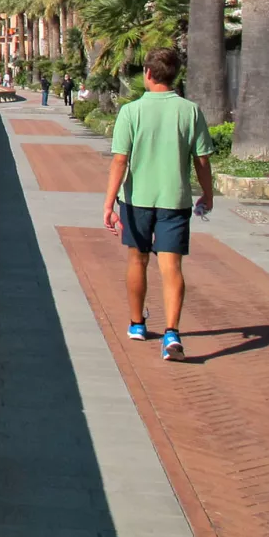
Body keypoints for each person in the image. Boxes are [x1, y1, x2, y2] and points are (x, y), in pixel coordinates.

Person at [103, 47, 215, 361]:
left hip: (136, 200)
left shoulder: (131, 112)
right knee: (171, 267)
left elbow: (120, 161)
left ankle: (137, 324)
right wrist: (207, 194)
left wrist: (109, 204)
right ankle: (171, 333)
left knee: (137, 261)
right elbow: (202, 160)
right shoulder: (190, 111)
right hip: (174, 199)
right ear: (175, 75)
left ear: (148, 74)